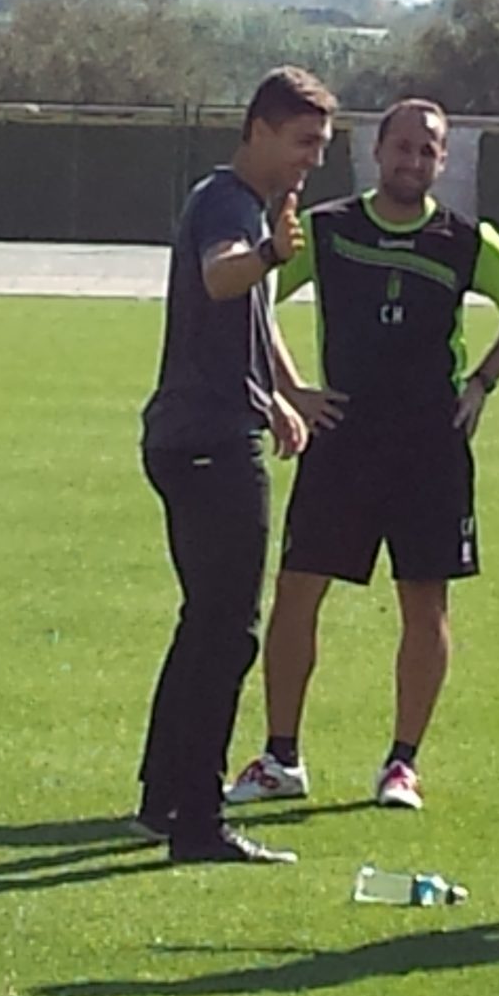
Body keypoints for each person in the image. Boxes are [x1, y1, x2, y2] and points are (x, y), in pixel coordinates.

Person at [224, 98, 499, 812]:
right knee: (298, 591)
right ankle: (281, 757)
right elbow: (256, 296)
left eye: (427, 151)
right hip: (343, 439)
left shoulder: (465, 240)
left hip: (432, 445)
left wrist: (483, 383)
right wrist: (291, 388)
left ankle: (401, 765)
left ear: (443, 161)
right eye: (402, 148)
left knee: (424, 603)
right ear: (378, 153)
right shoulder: (329, 229)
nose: (412, 161)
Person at [132, 66, 335, 865]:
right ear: (258, 130)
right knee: (228, 634)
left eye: (319, 145)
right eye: (302, 142)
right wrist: (267, 252)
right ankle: (199, 822)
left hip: (197, 432)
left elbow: (249, 307)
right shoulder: (229, 206)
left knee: (204, 627)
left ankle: (162, 798)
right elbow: (225, 276)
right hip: (211, 444)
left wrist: (283, 391)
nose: (311, 160)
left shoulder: (246, 206)